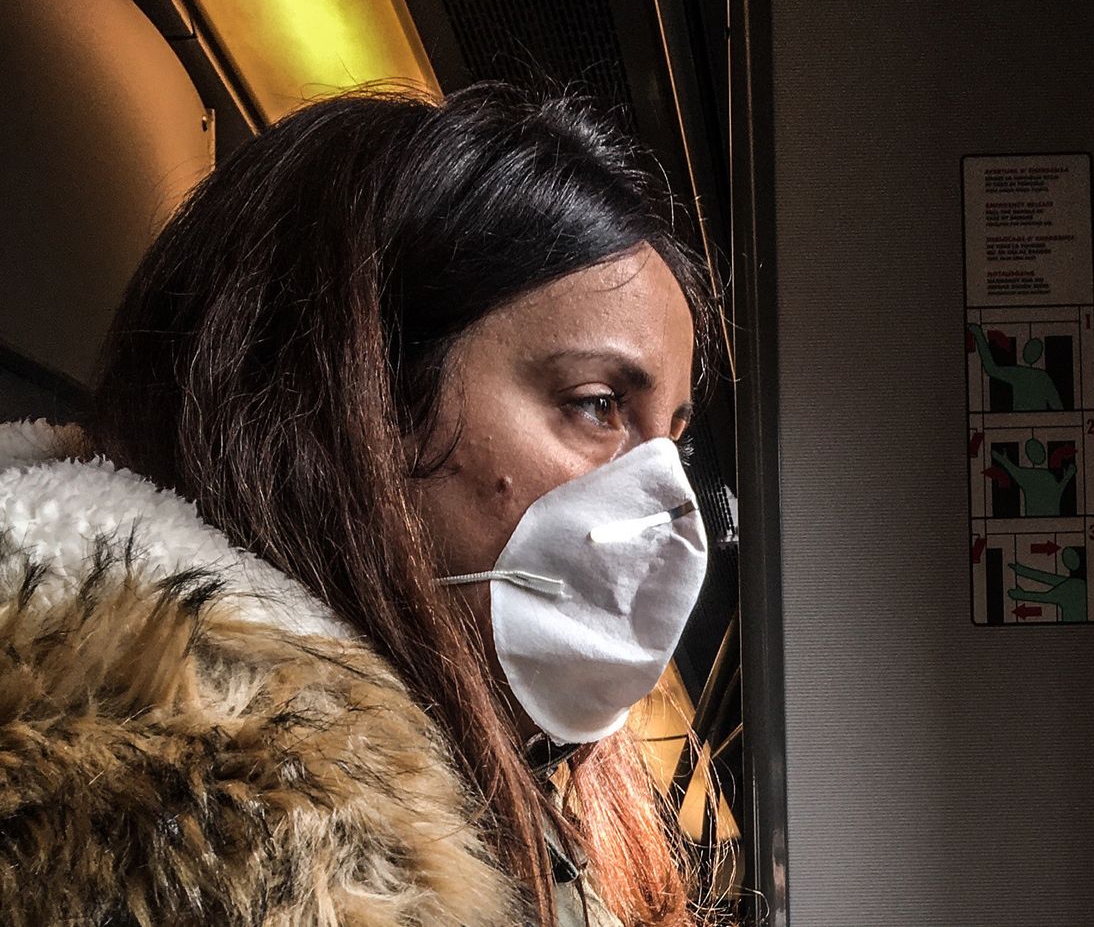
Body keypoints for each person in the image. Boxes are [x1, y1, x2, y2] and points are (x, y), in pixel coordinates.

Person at [0, 84, 725, 927]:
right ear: (347, 395)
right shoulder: (151, 804)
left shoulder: (516, 804)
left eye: (669, 438)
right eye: (598, 404)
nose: (669, 507)